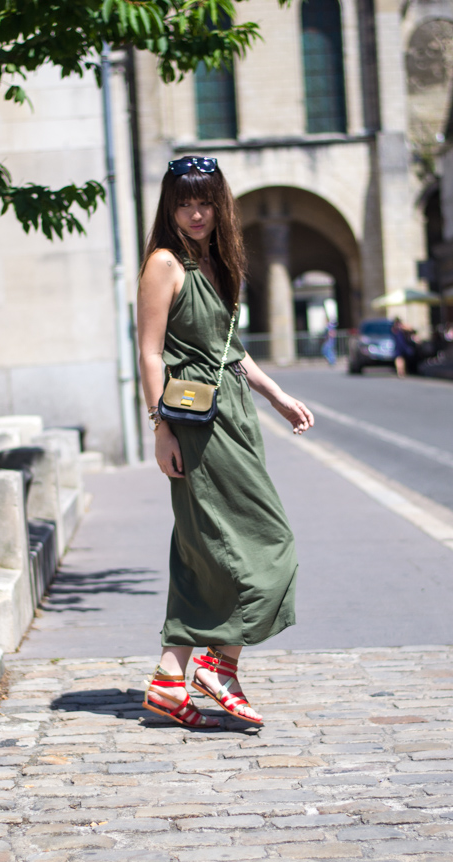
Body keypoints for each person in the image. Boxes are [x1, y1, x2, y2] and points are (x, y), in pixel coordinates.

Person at [137, 155, 314, 729]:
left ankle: (169, 680)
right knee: (270, 540)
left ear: (220, 204)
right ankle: (218, 664)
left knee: (199, 549)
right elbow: (147, 350)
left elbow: (232, 352)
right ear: (169, 205)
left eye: (206, 201)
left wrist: (277, 395)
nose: (195, 212)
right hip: (193, 423)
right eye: (184, 202)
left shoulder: (216, 262)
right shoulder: (164, 264)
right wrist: (159, 427)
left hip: (234, 417)